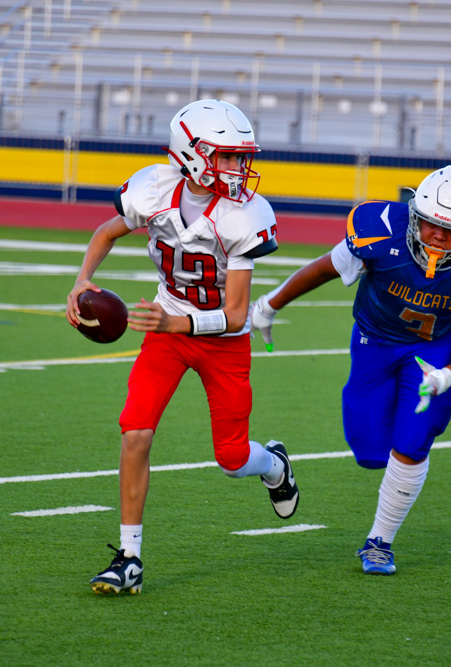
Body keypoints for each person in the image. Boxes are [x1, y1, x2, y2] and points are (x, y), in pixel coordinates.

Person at [66, 99, 299, 595]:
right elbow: (107, 231)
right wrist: (83, 279)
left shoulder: (245, 214)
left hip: (222, 342)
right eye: (227, 156)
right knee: (135, 433)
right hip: (167, 331)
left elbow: (235, 314)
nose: (238, 168)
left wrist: (176, 323)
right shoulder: (153, 188)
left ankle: (274, 464)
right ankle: (129, 557)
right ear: (191, 155)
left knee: (232, 459)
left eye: (241, 157)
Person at [249, 165, 451, 575]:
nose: (438, 236)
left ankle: (379, 543)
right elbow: (324, 268)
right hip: (374, 341)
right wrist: (270, 304)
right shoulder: (380, 233)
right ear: (414, 214)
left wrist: (446, 374)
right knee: (371, 452)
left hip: (436, 349)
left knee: (411, 443)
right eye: (430, 224)